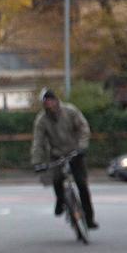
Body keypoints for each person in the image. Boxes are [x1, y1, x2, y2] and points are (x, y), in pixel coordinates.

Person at [31, 88, 97, 229]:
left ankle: (89, 218)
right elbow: (38, 141)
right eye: (45, 101)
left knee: (82, 185)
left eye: (50, 100)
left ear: (56, 100)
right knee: (57, 180)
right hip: (57, 154)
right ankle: (60, 201)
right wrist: (37, 162)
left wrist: (82, 147)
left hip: (75, 152)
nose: (49, 104)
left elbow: (83, 128)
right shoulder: (42, 120)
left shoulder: (70, 111)